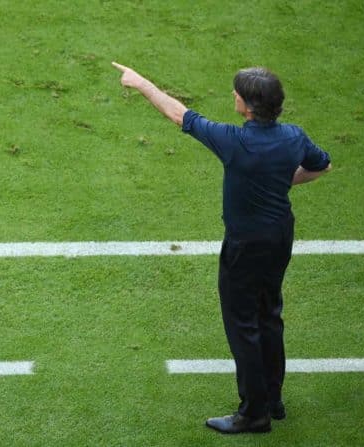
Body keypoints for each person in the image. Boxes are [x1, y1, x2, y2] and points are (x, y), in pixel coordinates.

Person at [112, 62, 332, 434]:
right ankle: (273, 400)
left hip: (245, 246)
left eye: (236, 94)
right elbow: (322, 166)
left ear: (247, 106)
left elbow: (178, 114)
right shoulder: (294, 137)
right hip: (279, 238)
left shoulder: (234, 141)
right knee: (269, 315)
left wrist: (141, 82)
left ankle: (254, 413)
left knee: (243, 325)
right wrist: (281, 181)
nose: (233, 96)